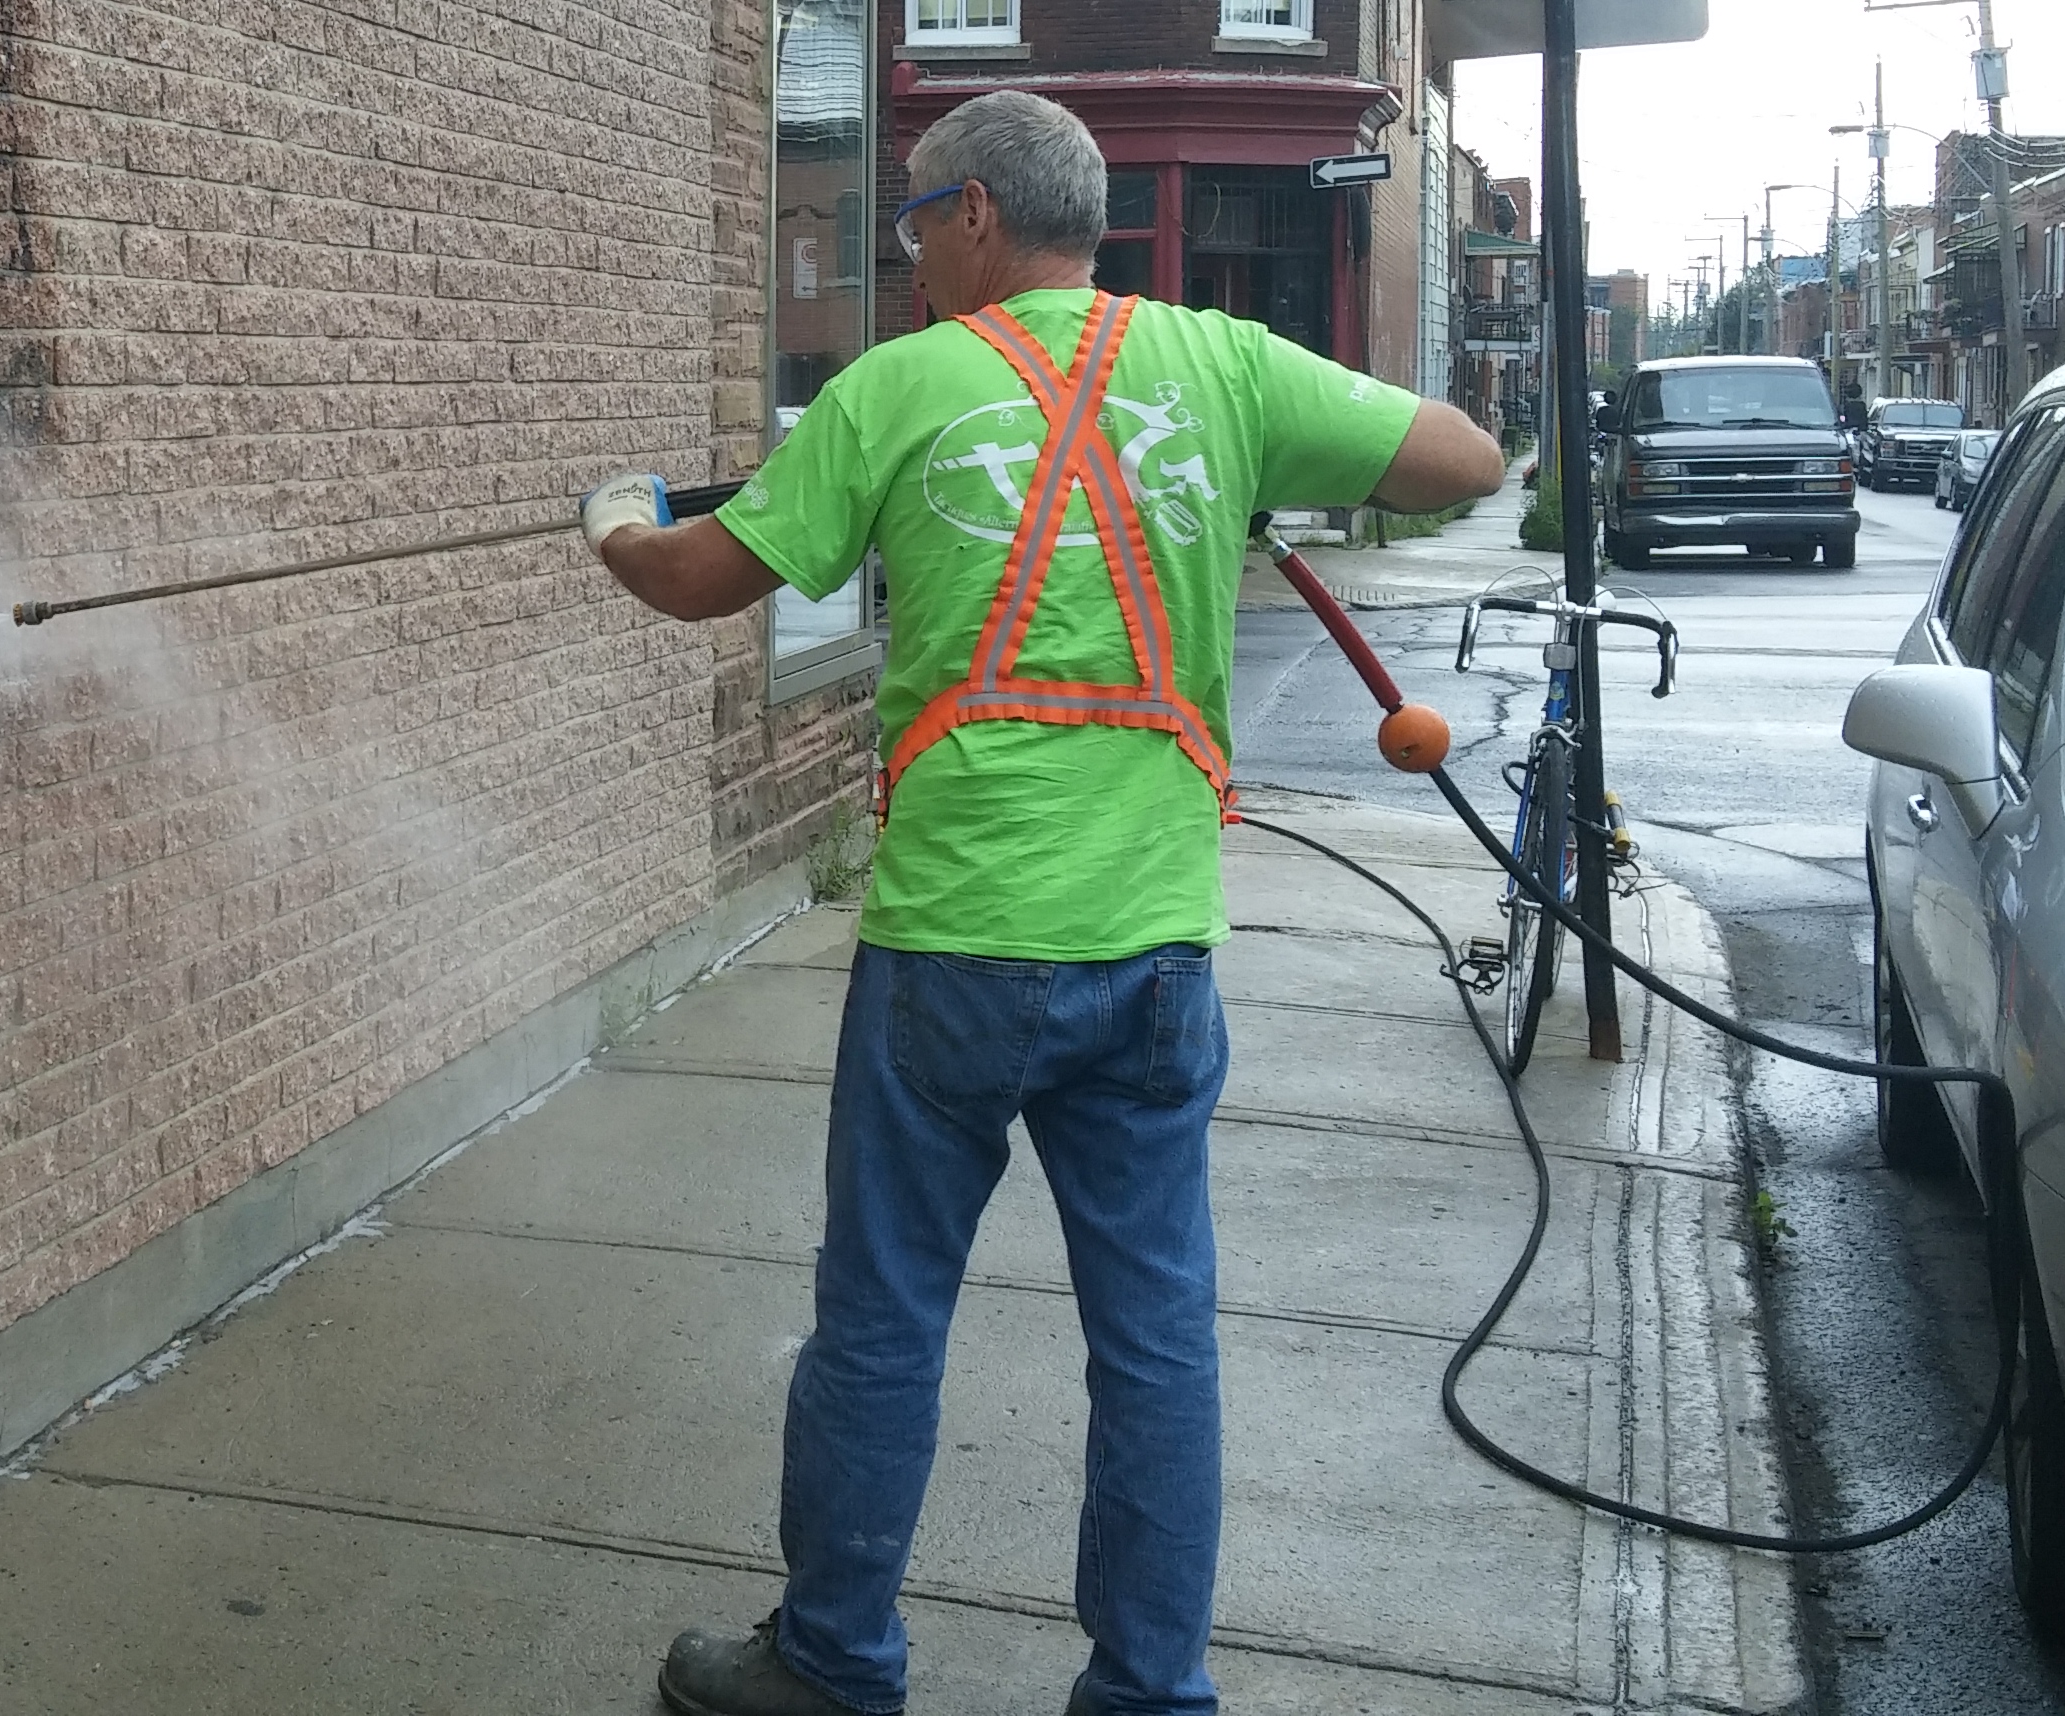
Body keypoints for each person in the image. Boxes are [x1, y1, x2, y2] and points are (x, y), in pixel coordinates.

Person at [577, 91, 1503, 1716]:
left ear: (977, 215)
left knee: (882, 1320)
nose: (908, 256)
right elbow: (1464, 461)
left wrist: (612, 516)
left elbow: (692, 578)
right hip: (1151, 954)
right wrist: (1236, 465)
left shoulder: (893, 389)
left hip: (951, 948)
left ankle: (834, 1667)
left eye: (911, 221)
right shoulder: (1222, 367)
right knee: (1156, 1341)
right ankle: (1149, 1693)